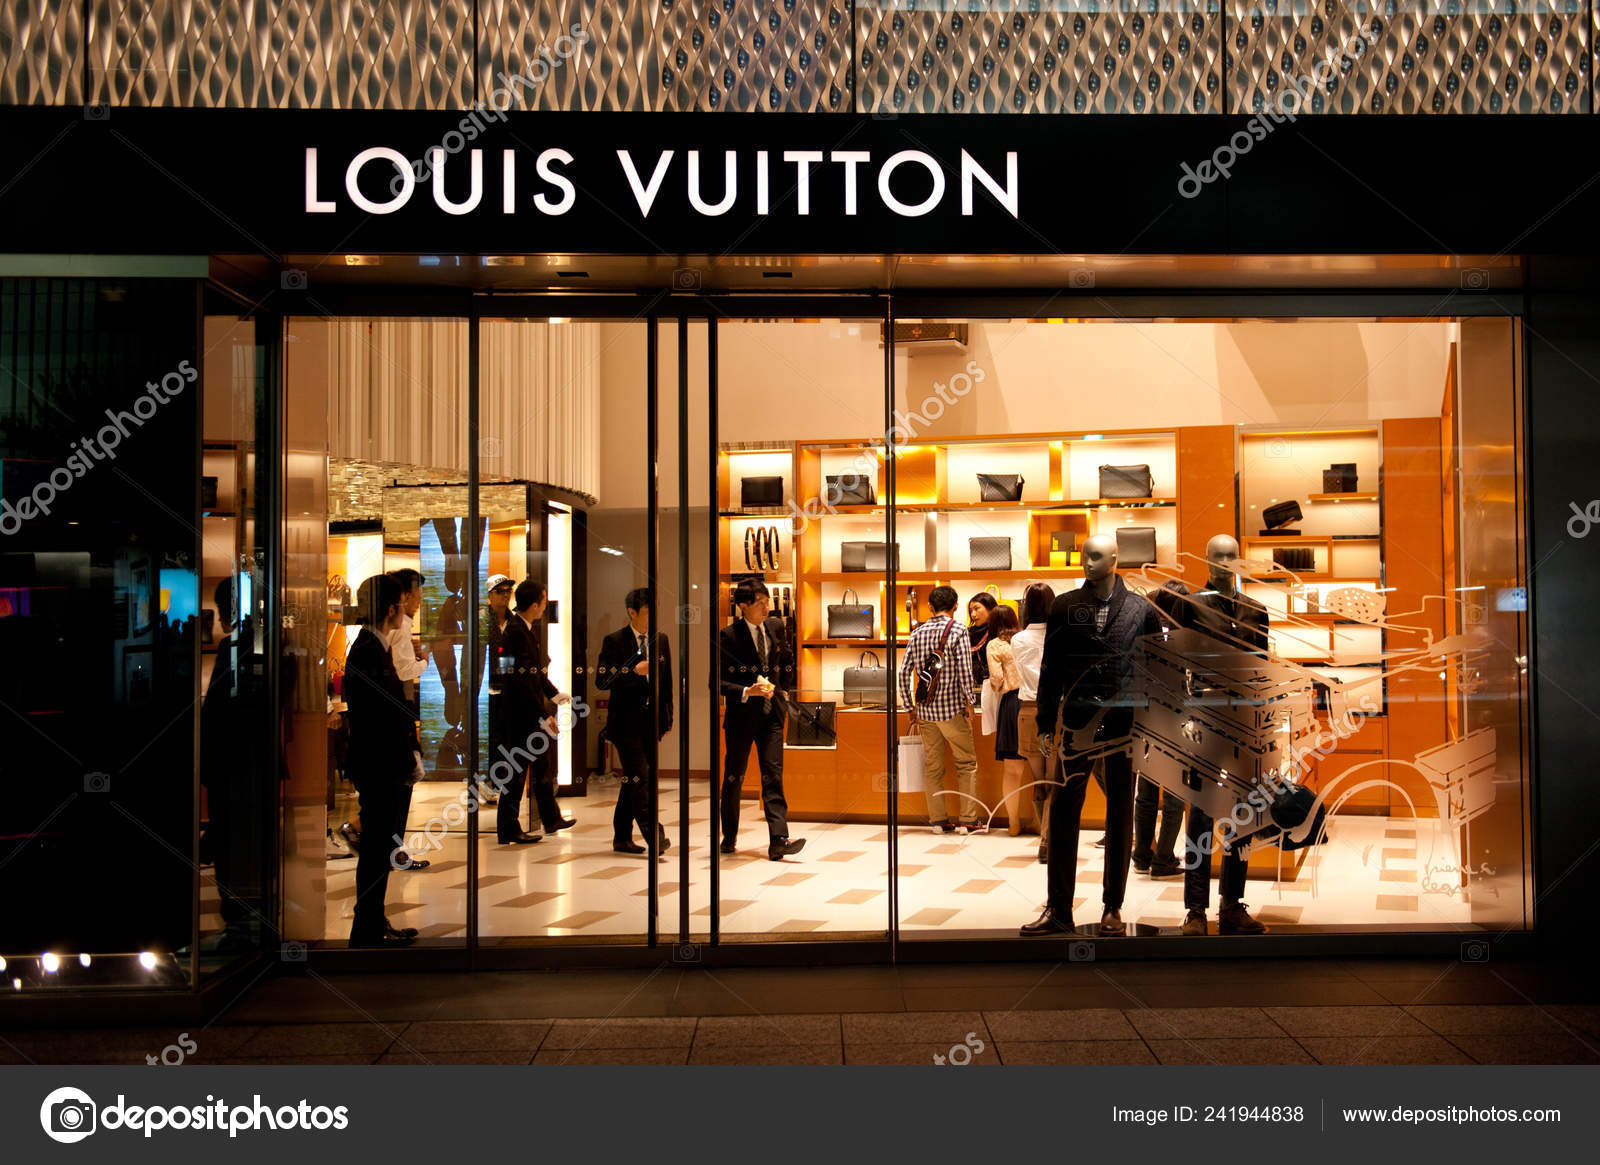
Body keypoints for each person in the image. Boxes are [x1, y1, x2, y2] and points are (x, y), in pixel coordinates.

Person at [1023, 534, 1162, 937]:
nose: (1087, 562)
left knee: (1120, 812)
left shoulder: (1140, 608)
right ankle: (1059, 908)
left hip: (1125, 722)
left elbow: (1156, 668)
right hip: (1077, 721)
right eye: (1085, 556)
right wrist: (1046, 721)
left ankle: (1112, 908)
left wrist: (1154, 724)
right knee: (1065, 809)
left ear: (1115, 560)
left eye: (1096, 556)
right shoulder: (1066, 606)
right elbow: (1051, 667)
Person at [1169, 535, 1270, 936]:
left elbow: (1263, 667)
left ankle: (1232, 904)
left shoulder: (1255, 611)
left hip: (1245, 723)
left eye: (1231, 556)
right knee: (1202, 814)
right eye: (1218, 556)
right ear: (1206, 560)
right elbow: (1174, 663)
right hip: (1204, 720)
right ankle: (1195, 908)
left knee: (1243, 814)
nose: (1225, 563)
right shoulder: (1190, 605)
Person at [344, 573, 420, 947]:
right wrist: (408, 756)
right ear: (391, 608)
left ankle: (372, 922)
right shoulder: (368, 651)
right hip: (380, 764)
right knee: (376, 849)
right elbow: (384, 717)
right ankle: (368, 927)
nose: (405, 610)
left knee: (379, 847)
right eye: (402, 605)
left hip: (381, 762)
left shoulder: (372, 646)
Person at [718, 579, 805, 861]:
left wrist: (782, 690)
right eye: (760, 602)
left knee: (773, 776)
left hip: (772, 717)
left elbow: (787, 660)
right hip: (741, 717)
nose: (767, 607)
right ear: (743, 606)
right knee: (734, 778)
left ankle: (778, 839)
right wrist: (747, 690)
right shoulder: (728, 636)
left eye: (767, 601)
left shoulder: (776, 627)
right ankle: (729, 835)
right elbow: (716, 683)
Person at [597, 587, 673, 856]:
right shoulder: (615, 641)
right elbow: (602, 680)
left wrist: (667, 718)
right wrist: (633, 671)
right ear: (632, 612)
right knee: (641, 778)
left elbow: (667, 683)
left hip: (650, 722)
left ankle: (621, 837)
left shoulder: (660, 640)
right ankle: (655, 835)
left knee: (635, 779)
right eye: (648, 611)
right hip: (625, 724)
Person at [499, 579, 575, 843]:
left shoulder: (524, 629)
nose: (545, 606)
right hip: (521, 714)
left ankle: (550, 818)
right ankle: (509, 826)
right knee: (517, 772)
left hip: (528, 710)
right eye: (543, 600)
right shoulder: (517, 632)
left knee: (541, 766)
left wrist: (554, 694)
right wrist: (543, 715)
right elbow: (521, 680)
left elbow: (536, 673)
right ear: (535, 604)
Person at [900, 585, 980, 834]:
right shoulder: (958, 630)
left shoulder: (917, 632)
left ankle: (938, 820)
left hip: (925, 712)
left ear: (930, 607)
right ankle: (968, 819)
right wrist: (970, 702)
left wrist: (909, 706)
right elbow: (966, 671)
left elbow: (903, 671)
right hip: (951, 710)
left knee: (933, 767)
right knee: (966, 764)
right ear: (956, 605)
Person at [386, 568, 431, 872]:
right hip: (396, 715)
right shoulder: (400, 627)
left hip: (396, 713)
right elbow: (403, 670)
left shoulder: (390, 629)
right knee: (402, 783)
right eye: (417, 594)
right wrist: (424, 661)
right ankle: (394, 850)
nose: (419, 600)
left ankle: (393, 849)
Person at [1012, 582, 1056, 858]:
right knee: (1055, 779)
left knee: (1038, 778)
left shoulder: (1018, 639)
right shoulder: (1061, 635)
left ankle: (1045, 838)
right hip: (1057, 710)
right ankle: (1048, 839)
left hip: (1028, 709)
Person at [983, 605, 1026, 835]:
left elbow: (997, 679)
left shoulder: (995, 645)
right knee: (1042, 769)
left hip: (1012, 703)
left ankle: (1014, 823)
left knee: (1012, 769)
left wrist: (992, 687)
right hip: (1035, 703)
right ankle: (1043, 824)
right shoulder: (1026, 639)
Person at [475, 573, 515, 806]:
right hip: (486, 687)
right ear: (490, 595)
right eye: (501, 591)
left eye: (508, 591)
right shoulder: (482, 620)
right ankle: (486, 780)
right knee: (489, 737)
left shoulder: (514, 620)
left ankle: (499, 780)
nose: (506, 595)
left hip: (509, 687)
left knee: (505, 737)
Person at [966, 591, 998, 697]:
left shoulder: (999, 631)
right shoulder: (967, 633)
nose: (973, 614)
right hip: (972, 687)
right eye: (971, 611)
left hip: (995, 688)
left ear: (990, 608)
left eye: (977, 608)